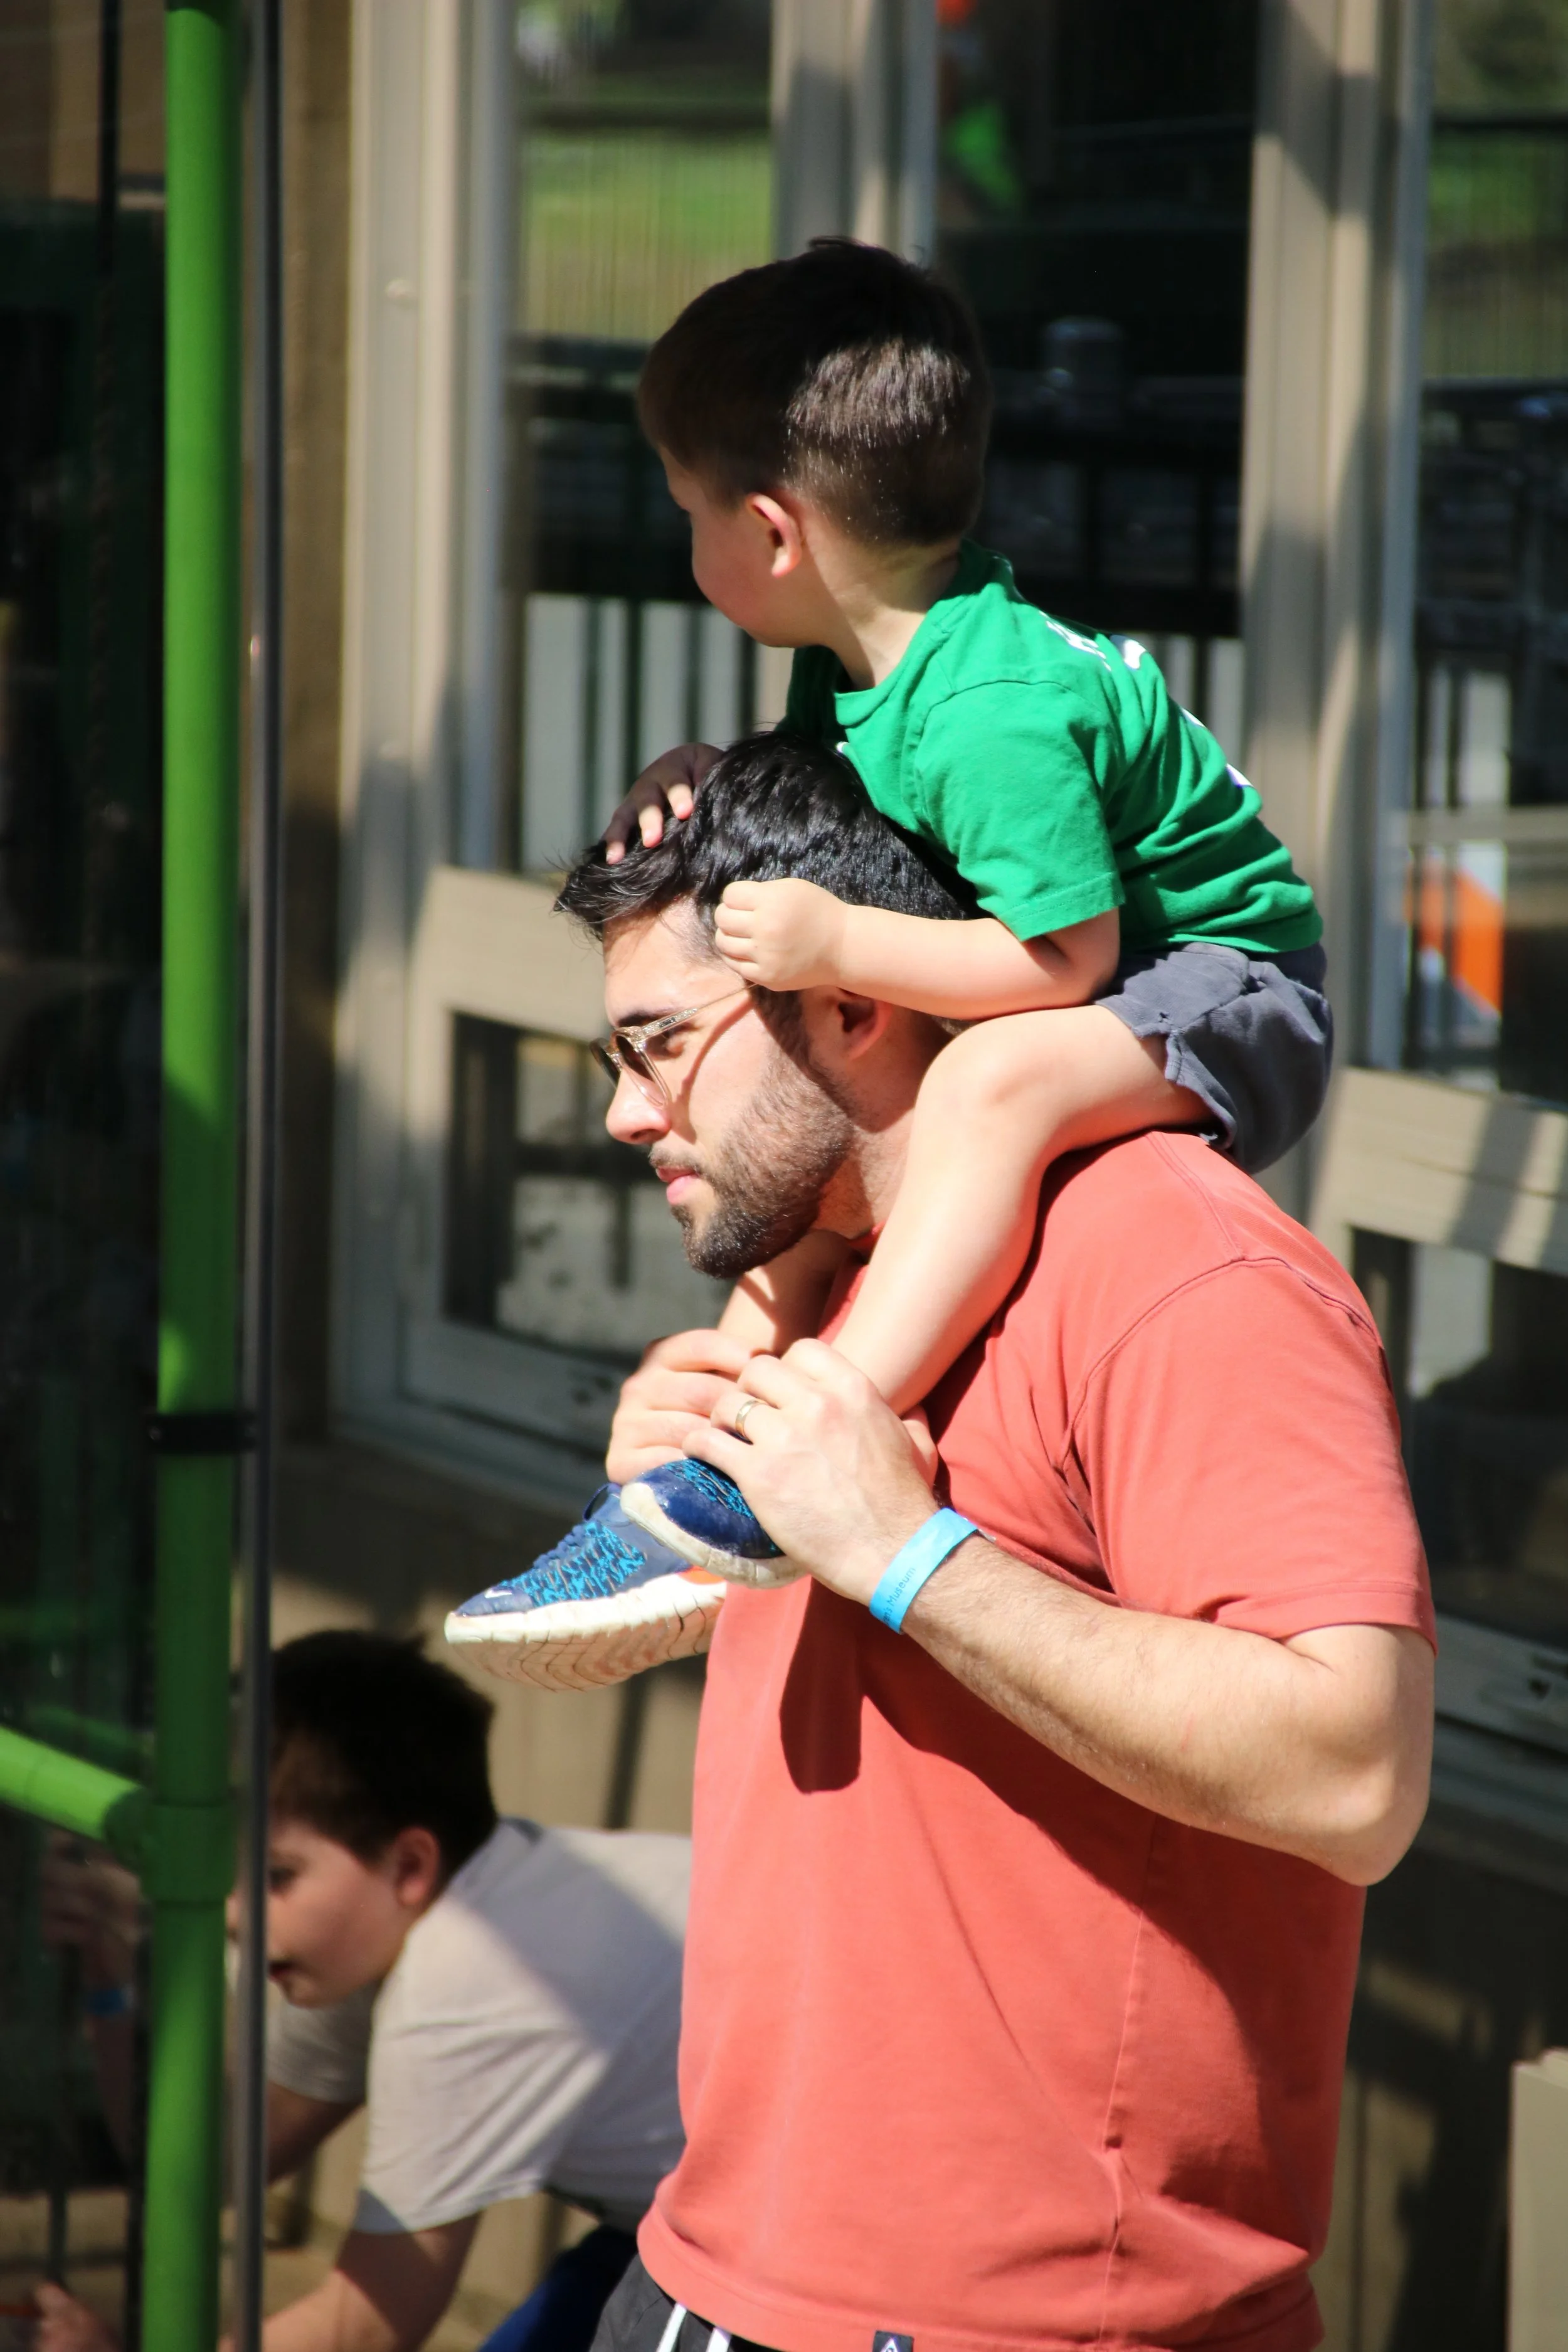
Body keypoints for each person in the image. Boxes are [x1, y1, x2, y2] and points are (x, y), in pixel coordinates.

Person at [460, 739, 1434, 2351]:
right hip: (709, 2268)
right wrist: (696, 1504)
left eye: (661, 1046)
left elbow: (1356, 1775)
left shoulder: (1186, 1271)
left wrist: (911, 1556)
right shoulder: (823, 1269)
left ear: (853, 1000)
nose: (627, 1114)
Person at [583, 236, 1330, 1582]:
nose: (685, 540)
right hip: (1121, 965)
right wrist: (694, 773)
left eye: (689, 509)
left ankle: (812, 1442)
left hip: (1229, 986)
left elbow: (1064, 961)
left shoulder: (989, 712)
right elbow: (844, 800)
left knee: (989, 1084)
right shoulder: (873, 645)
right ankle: (699, 1475)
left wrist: (837, 943)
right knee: (800, 1160)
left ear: (772, 532)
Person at [34, 1631, 688, 2352]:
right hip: (672, 2231)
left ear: (409, 1865)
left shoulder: (465, 1987)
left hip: (776, 2258)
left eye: (277, 1876)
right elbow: (217, 2164)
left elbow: (366, 2326)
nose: (233, 1911)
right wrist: (115, 1982)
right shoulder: (389, 1934)